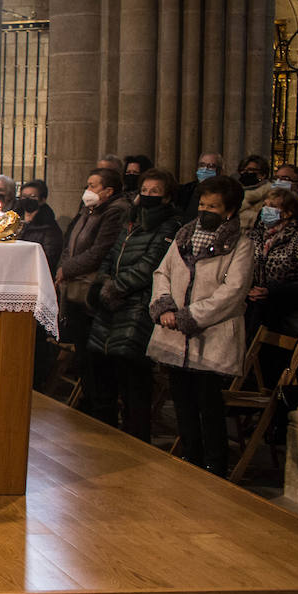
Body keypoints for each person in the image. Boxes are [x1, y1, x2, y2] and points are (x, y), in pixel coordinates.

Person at [148, 175, 253, 476]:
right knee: (182, 401)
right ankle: (190, 458)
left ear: (229, 211)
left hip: (211, 333)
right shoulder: (184, 237)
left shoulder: (240, 246)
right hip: (174, 334)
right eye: (203, 204)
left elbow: (232, 292)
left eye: (214, 206)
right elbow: (162, 273)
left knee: (209, 405)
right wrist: (165, 306)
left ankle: (215, 465)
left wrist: (189, 316)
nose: (206, 210)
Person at [85, 168, 180, 442]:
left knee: (132, 377)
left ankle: (135, 439)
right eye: (145, 190)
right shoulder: (131, 219)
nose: (148, 195)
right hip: (109, 304)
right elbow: (112, 253)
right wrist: (102, 281)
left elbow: (152, 263)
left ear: (167, 197)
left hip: (136, 305)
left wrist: (117, 286)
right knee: (102, 368)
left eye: (155, 192)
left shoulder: (169, 225)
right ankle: (103, 434)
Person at [57, 167, 132, 410]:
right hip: (75, 287)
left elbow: (100, 251)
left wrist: (67, 269)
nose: (87, 190)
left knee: (94, 357)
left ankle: (100, 407)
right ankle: (88, 400)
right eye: (88, 184)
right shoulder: (88, 211)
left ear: (109, 191)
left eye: (93, 185)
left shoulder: (114, 212)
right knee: (82, 354)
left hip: (90, 290)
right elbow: (70, 244)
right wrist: (63, 267)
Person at [246, 186, 298, 438]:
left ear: (287, 212)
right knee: (261, 366)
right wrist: (248, 288)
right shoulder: (256, 237)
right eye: (265, 204)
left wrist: (274, 290)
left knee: (283, 369)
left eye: (272, 206)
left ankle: (279, 421)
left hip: (289, 313)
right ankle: (260, 418)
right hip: (258, 310)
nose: (266, 210)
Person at [20, 179, 67, 391]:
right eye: (24, 196)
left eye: (32, 197)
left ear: (43, 199)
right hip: (16, 286)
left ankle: (34, 382)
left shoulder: (49, 227)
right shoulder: (12, 220)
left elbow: (48, 258)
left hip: (31, 288)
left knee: (33, 341)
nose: (27, 201)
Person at [176, 152, 225, 222]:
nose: (205, 169)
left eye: (211, 166)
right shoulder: (187, 190)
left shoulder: (225, 192)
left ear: (220, 171)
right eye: (202, 165)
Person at [237, 154, 273, 230]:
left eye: (251, 170)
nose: (246, 173)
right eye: (243, 170)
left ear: (263, 174)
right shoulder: (234, 191)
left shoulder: (271, 193)